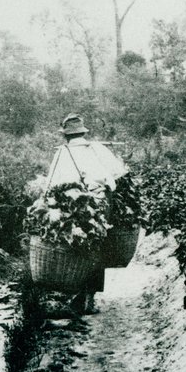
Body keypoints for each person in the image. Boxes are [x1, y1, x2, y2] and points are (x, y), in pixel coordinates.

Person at [44, 113, 128, 315]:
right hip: (100, 203)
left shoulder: (62, 153)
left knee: (74, 246)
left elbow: (50, 185)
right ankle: (89, 297)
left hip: (72, 205)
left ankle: (75, 293)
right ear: (83, 132)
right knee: (97, 246)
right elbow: (119, 173)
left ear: (66, 135)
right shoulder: (97, 148)